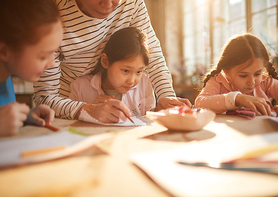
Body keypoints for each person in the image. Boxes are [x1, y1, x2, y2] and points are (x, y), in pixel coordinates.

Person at [33, 0, 191, 121]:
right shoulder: (52, 11)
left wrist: (166, 95)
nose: (108, 5)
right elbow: (45, 97)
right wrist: (87, 110)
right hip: (69, 106)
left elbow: (153, 57)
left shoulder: (132, 3)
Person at [0, 0, 63, 136]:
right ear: (4, 52)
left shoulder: (5, 78)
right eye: (43, 56)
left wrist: (24, 117)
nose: (52, 63)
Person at [195, 33, 278, 118]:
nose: (252, 82)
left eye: (257, 73)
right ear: (227, 72)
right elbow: (200, 103)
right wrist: (237, 99)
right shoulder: (218, 82)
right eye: (243, 75)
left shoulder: (266, 82)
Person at [69, 27, 155, 122]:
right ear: (105, 61)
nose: (131, 81)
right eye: (126, 71)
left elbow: (150, 120)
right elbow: (68, 123)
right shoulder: (80, 87)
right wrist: (91, 111)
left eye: (139, 72)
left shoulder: (145, 85)